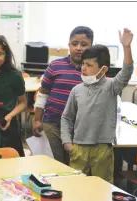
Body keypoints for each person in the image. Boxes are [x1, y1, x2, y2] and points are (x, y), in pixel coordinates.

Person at [60, 28, 134, 184]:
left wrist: (127, 47)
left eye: (89, 65)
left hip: (102, 149)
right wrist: (67, 143)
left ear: (103, 69)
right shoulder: (77, 90)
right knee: (75, 186)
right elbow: (66, 117)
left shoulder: (111, 87)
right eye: (82, 64)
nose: (83, 68)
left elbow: (126, 71)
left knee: (102, 189)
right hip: (78, 148)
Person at [32, 26, 93, 164]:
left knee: (74, 165)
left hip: (79, 128)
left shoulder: (93, 70)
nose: (78, 48)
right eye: (74, 44)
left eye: (84, 45)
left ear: (91, 47)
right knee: (53, 165)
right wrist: (37, 119)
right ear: (69, 45)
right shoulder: (55, 66)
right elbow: (43, 94)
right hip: (52, 124)